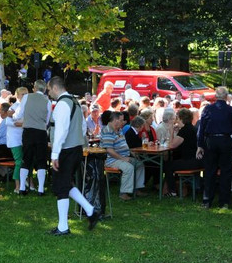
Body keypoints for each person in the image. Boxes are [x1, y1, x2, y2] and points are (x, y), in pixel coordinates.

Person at [46, 76, 100, 235]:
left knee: (61, 187)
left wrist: (55, 154)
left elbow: (60, 132)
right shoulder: (76, 102)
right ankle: (91, 210)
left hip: (66, 149)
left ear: (55, 88)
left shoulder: (62, 104)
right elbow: (83, 127)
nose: (49, 93)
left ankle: (63, 227)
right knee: (66, 184)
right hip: (76, 148)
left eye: (49, 90)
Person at [195, 86, 232, 209]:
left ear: (216, 96)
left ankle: (207, 201)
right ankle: (224, 202)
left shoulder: (208, 109)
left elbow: (201, 129)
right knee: (226, 172)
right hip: (225, 140)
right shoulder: (231, 110)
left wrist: (200, 145)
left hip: (210, 141)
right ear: (226, 96)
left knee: (209, 171)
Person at [15, 80, 52, 195]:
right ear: (45, 89)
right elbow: (47, 120)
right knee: (41, 160)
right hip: (41, 132)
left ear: (34, 88)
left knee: (26, 159)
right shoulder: (48, 101)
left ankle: (21, 188)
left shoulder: (26, 98)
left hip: (28, 131)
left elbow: (19, 114)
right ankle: (41, 189)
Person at [101, 111, 147, 201]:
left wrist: (130, 152)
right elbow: (109, 150)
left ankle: (137, 188)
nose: (123, 122)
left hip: (121, 156)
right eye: (121, 120)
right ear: (115, 120)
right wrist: (123, 158)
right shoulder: (108, 131)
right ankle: (124, 193)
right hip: (111, 160)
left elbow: (122, 145)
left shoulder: (119, 129)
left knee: (140, 164)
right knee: (128, 167)